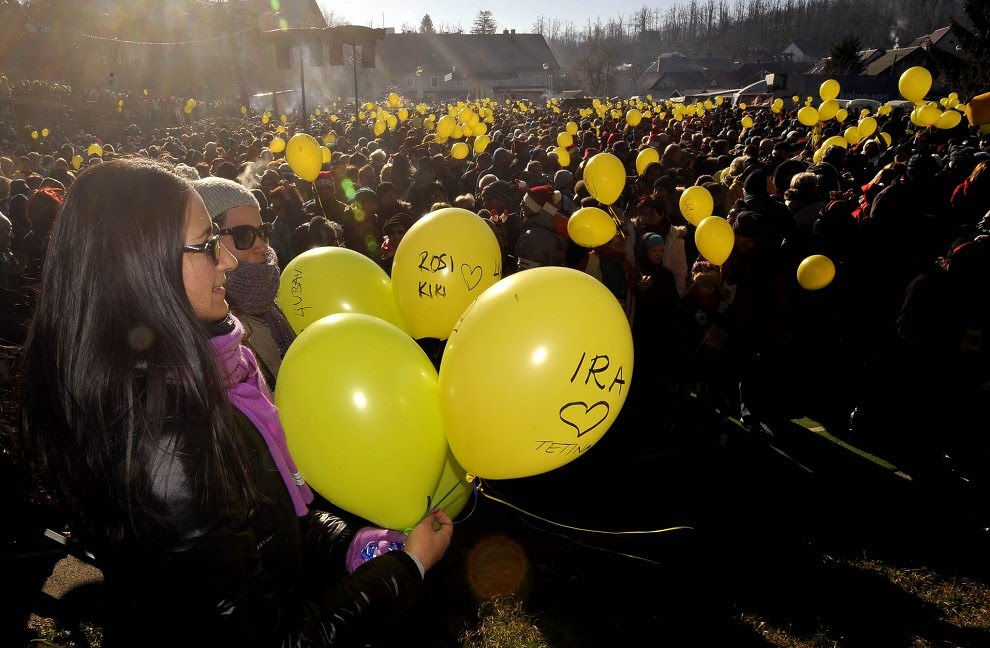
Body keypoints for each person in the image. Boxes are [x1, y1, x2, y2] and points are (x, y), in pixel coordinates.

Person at [18, 159, 452, 647]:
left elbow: (261, 523)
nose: (226, 259)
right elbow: (270, 638)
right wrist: (407, 568)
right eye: (207, 244)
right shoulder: (170, 434)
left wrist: (354, 545)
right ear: (141, 262)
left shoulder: (178, 381)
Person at [192, 176, 296, 389]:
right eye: (244, 235)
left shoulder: (271, 297)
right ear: (207, 242)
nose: (262, 246)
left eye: (262, 232)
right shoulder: (209, 334)